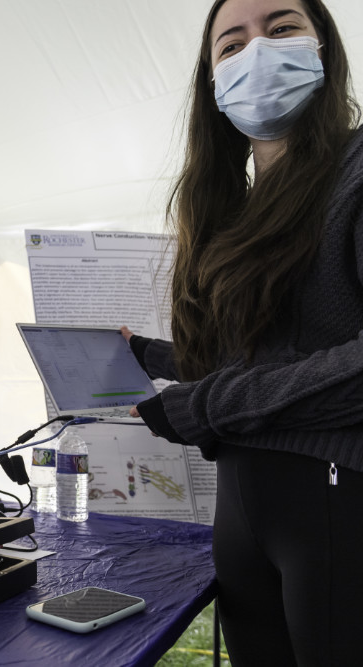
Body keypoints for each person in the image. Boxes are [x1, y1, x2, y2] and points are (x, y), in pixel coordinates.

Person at [121, 0, 362, 664]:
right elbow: (266, 358)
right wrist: (153, 356)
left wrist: (202, 405)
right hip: (242, 508)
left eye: (281, 28)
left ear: (325, 48)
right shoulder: (233, 209)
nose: (256, 51)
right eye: (231, 44)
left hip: (338, 502)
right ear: (212, 84)